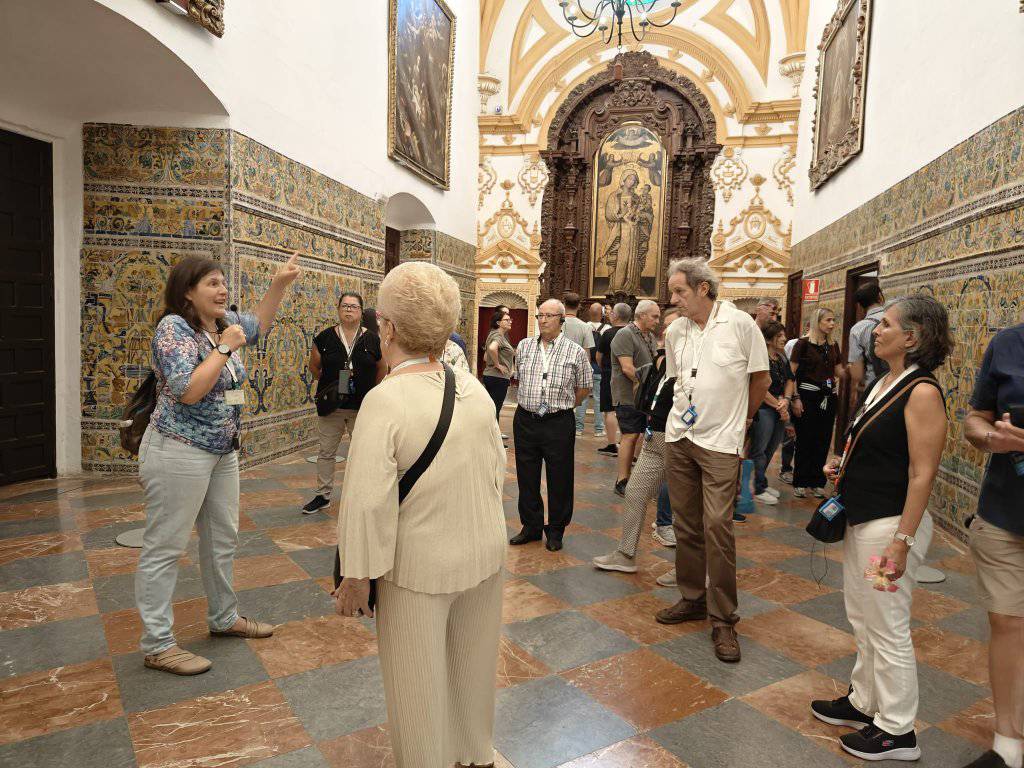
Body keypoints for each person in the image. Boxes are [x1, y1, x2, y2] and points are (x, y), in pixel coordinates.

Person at [333, 262, 507, 768]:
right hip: (483, 557)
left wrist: (356, 577)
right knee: (471, 676)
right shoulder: (472, 388)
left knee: (416, 690)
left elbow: (367, 502)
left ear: (386, 328)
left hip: (418, 571)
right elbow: (495, 472)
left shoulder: (385, 400)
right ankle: (474, 757)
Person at [136, 252, 302, 675]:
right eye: (211, 283)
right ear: (187, 291)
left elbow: (259, 325)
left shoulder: (222, 323)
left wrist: (279, 283)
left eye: (223, 282)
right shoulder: (174, 329)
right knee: (165, 547)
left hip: (222, 452)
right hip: (178, 449)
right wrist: (226, 348)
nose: (222, 289)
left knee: (222, 538)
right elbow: (188, 390)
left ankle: (224, 617)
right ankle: (157, 644)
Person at [811, 295, 951, 762]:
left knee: (887, 625)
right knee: (863, 615)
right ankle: (864, 702)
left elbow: (922, 473)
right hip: (864, 517)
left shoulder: (923, 392)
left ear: (912, 337)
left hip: (890, 527)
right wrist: (843, 465)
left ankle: (898, 729)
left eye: (885, 325)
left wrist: (902, 542)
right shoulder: (887, 382)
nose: (875, 330)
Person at [654, 258, 770, 665]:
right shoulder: (676, 331)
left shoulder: (740, 325)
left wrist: (744, 422)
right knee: (685, 524)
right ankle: (692, 597)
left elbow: (761, 380)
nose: (674, 300)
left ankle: (724, 618)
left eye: (680, 292)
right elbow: (677, 381)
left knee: (717, 525)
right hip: (680, 437)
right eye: (673, 293)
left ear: (704, 288)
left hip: (721, 442)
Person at [961, 320, 1024, 768]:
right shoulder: (1007, 343)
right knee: (1008, 624)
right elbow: (975, 417)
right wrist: (989, 438)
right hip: (1005, 516)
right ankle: (1008, 742)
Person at [593, 308, 681, 574]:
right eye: (663, 326)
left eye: (669, 327)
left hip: (678, 438)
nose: (663, 331)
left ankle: (688, 570)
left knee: (686, 506)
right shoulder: (664, 361)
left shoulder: (693, 362)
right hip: (655, 436)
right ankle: (626, 553)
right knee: (634, 492)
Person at [509, 299, 593, 551]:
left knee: (560, 476)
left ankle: (556, 530)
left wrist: (565, 405)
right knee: (526, 475)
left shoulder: (574, 351)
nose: (542, 320)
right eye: (539, 316)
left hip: (558, 422)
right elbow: (520, 378)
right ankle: (531, 526)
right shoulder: (524, 346)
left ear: (561, 320)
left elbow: (584, 386)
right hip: (526, 419)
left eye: (548, 316)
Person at [304, 292, 388, 513]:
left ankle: (362, 496)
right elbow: (314, 368)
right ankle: (323, 495)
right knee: (326, 452)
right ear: (338, 309)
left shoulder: (372, 339)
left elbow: (382, 367)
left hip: (362, 407)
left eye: (353, 306)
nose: (349, 309)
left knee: (363, 453)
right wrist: (331, 383)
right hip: (332, 407)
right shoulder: (324, 338)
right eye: (345, 306)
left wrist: (373, 392)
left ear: (361, 311)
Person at [790, 307, 843, 498]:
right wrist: (795, 398)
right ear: (817, 322)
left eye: (833, 320)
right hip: (807, 398)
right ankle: (801, 480)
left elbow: (838, 372)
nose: (832, 324)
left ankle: (817, 481)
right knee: (806, 439)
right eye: (828, 320)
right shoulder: (802, 345)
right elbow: (792, 374)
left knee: (823, 440)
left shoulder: (833, 345)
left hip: (828, 399)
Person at [610, 299, 661, 495]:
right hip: (628, 395)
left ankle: (631, 478)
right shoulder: (625, 334)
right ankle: (621, 480)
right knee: (629, 435)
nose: (657, 320)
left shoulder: (648, 336)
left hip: (643, 396)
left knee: (638, 436)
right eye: (654, 316)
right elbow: (627, 368)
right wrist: (647, 386)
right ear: (641, 315)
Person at [751, 322, 795, 505]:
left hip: (778, 407)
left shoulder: (781, 358)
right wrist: (779, 405)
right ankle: (757, 487)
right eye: (780, 335)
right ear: (770, 339)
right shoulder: (761, 358)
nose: (784, 338)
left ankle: (761, 481)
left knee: (771, 447)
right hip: (764, 408)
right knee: (759, 449)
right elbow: (760, 385)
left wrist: (786, 399)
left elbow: (790, 380)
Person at [596, 303, 630, 456]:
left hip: (609, 374)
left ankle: (611, 444)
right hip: (627, 375)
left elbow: (599, 356)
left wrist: (605, 367)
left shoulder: (608, 333)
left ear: (615, 316)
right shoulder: (632, 332)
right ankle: (625, 442)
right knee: (625, 409)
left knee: (609, 410)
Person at [848, 281, 888, 407]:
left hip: (873, 387)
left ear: (860, 306)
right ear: (880, 297)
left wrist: (855, 391)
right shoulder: (897, 318)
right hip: (901, 383)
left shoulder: (858, 329)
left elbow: (857, 372)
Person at [561, 292, 596, 435]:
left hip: (559, 367)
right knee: (578, 400)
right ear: (579, 306)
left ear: (564, 305)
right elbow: (586, 352)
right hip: (576, 370)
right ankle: (578, 428)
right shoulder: (585, 327)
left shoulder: (559, 322)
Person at [581, 301, 610, 437]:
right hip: (600, 368)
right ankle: (599, 430)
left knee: (582, 398)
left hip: (585, 367)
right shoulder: (607, 328)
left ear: (589, 313)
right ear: (602, 314)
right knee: (599, 399)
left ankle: (578, 428)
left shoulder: (584, 327)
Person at [481, 309, 515, 419]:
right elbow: (492, 348)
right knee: (495, 410)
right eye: (506, 320)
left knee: (491, 409)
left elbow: (486, 357)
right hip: (498, 378)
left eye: (510, 319)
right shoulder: (498, 336)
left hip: (490, 375)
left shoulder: (493, 334)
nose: (510, 321)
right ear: (498, 323)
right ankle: (493, 435)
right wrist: (497, 364)